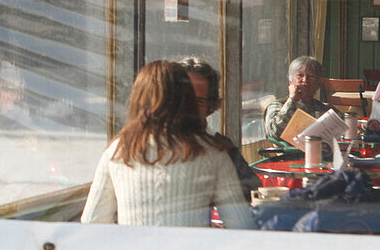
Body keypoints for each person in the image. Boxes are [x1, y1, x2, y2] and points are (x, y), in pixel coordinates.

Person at [80, 60, 255, 228]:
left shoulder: (117, 151)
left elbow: (91, 222)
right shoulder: (212, 153)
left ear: (138, 100)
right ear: (187, 100)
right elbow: (241, 225)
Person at [181, 57, 260, 201]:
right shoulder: (150, 148)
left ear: (209, 107)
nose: (189, 106)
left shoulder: (223, 149)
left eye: (199, 101)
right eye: (184, 97)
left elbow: (252, 191)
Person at [263, 55, 330, 140]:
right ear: (291, 81)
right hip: (290, 152)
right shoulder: (276, 106)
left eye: (311, 76)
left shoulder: (325, 110)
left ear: (318, 83)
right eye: (300, 76)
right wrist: (292, 101)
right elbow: (274, 132)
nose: (305, 80)